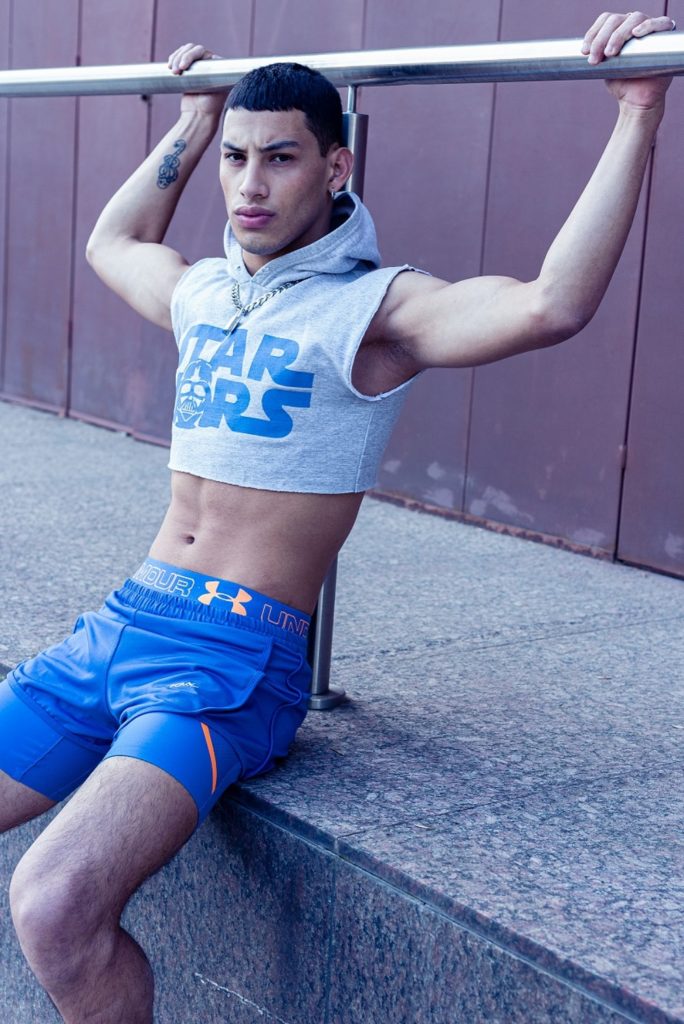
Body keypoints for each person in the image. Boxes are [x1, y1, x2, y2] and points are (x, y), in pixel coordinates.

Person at [0, 10, 676, 1022]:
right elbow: (113, 240)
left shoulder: (376, 309)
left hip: (232, 664)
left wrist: (635, 114)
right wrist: (195, 118)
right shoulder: (205, 291)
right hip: (125, 620)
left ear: (336, 166)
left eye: (280, 158)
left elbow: (550, 304)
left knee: (54, 905)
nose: (249, 184)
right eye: (235, 159)